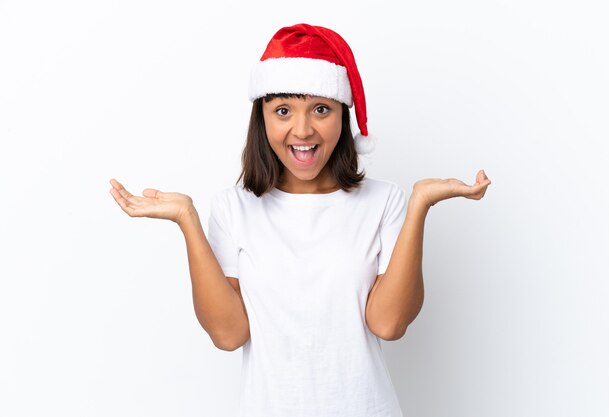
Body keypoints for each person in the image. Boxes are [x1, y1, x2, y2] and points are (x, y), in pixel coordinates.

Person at [109, 23, 491, 417]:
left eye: (321, 109)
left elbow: (389, 324)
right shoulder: (232, 208)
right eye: (283, 111)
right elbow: (228, 335)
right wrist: (186, 220)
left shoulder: (385, 201)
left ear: (342, 116)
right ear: (262, 118)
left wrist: (420, 205)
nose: (303, 130)